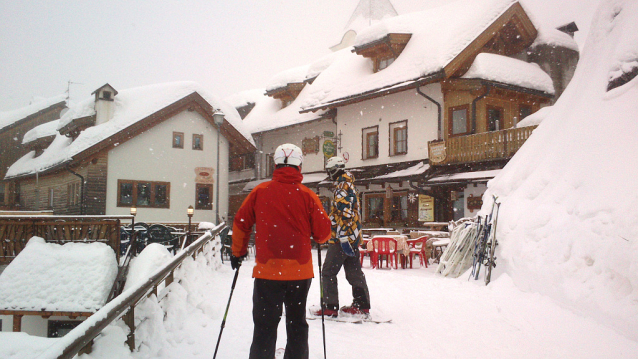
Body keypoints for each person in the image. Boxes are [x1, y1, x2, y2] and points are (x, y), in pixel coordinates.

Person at [231, 143, 331, 359]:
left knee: (265, 326)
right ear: (300, 165)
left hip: (268, 272)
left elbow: (241, 222)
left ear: (275, 164)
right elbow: (323, 234)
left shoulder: (260, 192)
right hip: (299, 273)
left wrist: (237, 252)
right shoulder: (308, 195)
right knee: (296, 324)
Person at [311, 156, 371, 318]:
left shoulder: (342, 187)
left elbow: (345, 213)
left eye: (329, 171)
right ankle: (362, 305)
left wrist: (343, 236)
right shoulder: (349, 183)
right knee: (354, 272)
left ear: (334, 170)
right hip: (353, 237)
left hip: (341, 238)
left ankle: (329, 307)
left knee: (328, 272)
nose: (329, 175)